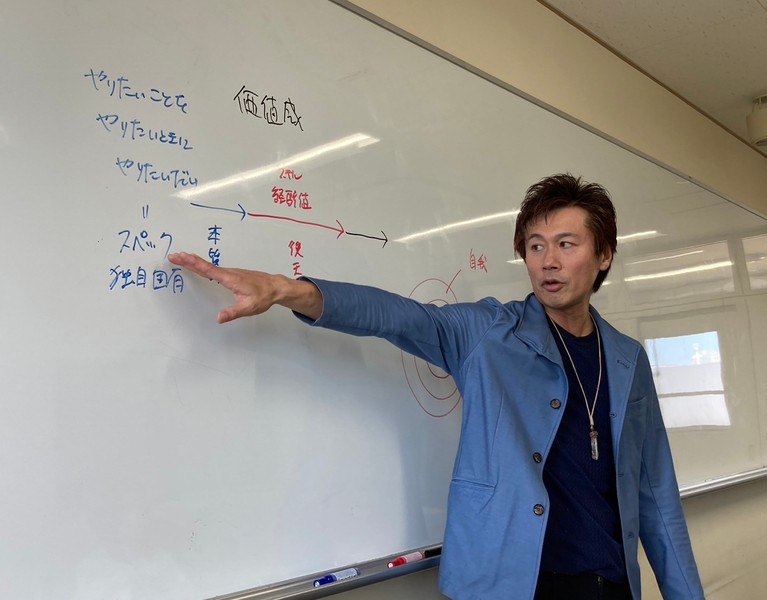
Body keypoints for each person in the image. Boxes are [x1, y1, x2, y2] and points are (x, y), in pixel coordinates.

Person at [168, 173, 704, 600]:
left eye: (567, 244)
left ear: (603, 255)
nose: (548, 261)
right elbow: (398, 316)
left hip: (608, 583)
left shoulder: (627, 360)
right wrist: (287, 289)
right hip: (511, 584)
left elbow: (656, 494)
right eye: (535, 245)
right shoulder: (489, 334)